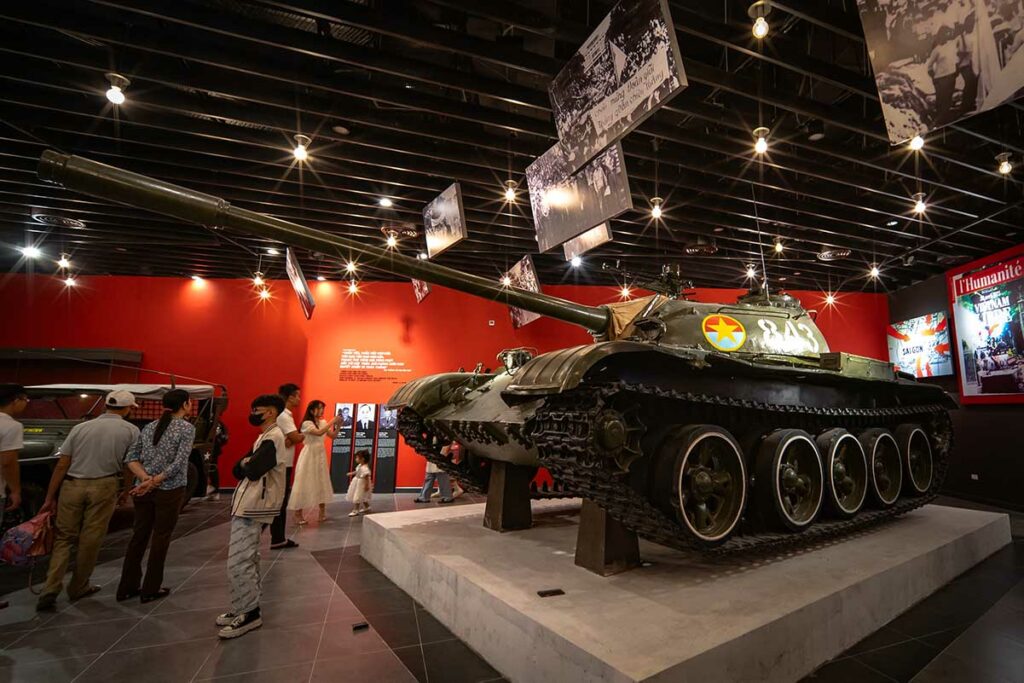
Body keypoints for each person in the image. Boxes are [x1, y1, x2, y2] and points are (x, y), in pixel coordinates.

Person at [37, 390, 140, 611]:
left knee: (64, 538)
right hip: (104, 485)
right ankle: (78, 586)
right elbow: (128, 464)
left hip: (72, 484)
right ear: (127, 408)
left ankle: (50, 588)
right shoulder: (130, 430)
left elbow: (63, 464)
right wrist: (126, 490)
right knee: (91, 538)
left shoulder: (80, 427)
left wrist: (49, 496)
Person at [217, 394, 288, 639]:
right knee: (247, 557)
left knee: (239, 560)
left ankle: (250, 612)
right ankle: (242, 607)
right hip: (249, 504)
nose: (253, 412)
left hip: (255, 505)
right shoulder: (265, 437)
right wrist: (246, 463)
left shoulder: (273, 437)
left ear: (270, 412)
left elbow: (253, 469)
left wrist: (247, 463)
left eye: (257, 409)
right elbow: (238, 468)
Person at [116, 389, 195, 603]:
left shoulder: (149, 427)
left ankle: (126, 587)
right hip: (169, 489)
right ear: (186, 404)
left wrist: (145, 479)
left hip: (143, 490)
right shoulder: (186, 428)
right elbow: (180, 463)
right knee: (161, 538)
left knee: (138, 537)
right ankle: (150, 588)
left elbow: (131, 458)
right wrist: (155, 481)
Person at [0, 384, 28, 611]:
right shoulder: (10, 425)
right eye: (25, 400)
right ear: (15, 400)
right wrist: (15, 490)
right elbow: (8, 460)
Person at [288, 400, 338, 524]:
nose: (321, 410)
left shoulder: (322, 422)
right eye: (319, 408)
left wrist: (339, 425)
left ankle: (322, 513)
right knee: (304, 482)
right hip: (309, 454)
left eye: (322, 408)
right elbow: (319, 433)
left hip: (320, 455)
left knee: (322, 481)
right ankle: (298, 514)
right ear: (311, 410)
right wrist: (332, 421)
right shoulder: (306, 423)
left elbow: (332, 436)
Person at [270, 383, 302, 550]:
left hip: (284, 462)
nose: (299, 399)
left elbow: (290, 440)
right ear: (290, 397)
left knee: (281, 502)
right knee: (279, 502)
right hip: (282, 463)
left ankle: (278, 537)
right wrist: (303, 434)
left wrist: (292, 439)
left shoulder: (284, 415)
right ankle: (276, 537)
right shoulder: (283, 416)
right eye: (297, 395)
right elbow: (294, 438)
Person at [346, 450, 373, 516]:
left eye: (357, 457)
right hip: (357, 481)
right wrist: (351, 473)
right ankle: (367, 507)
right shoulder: (360, 465)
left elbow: (366, 476)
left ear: (362, 459)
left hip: (361, 483)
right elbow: (357, 471)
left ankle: (356, 510)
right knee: (363, 496)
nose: (356, 459)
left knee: (357, 496)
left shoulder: (365, 468)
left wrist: (366, 485)